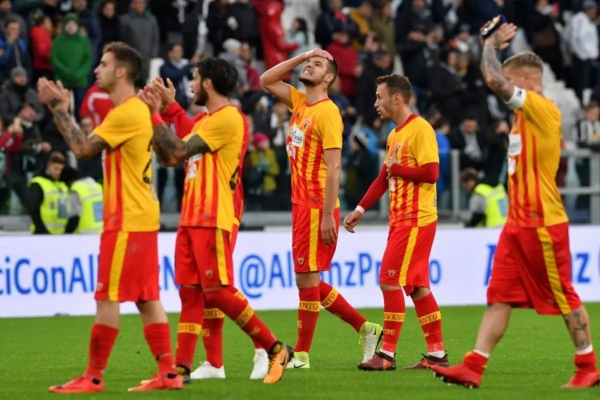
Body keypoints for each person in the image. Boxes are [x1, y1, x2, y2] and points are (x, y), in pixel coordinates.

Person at [431, 20, 600, 389]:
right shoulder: (523, 118)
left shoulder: (541, 108)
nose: (503, 89)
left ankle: (588, 366)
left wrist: (489, 46)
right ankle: (473, 366)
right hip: (516, 224)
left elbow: (494, 80)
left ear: (525, 79)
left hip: (542, 223)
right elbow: (494, 80)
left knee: (563, 294)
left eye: (511, 81)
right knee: (499, 297)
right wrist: (488, 48)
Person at [37, 41, 183, 393]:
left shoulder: (126, 112)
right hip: (143, 216)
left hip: (126, 219)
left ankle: (93, 376)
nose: (96, 69)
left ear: (121, 71)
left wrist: (59, 109)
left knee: (107, 297)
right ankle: (168, 373)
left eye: (103, 64)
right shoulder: (136, 111)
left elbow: (82, 149)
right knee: (146, 297)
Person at [138, 57, 290, 385]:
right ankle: (181, 369)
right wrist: (162, 112)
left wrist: (156, 113)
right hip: (191, 215)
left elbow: (177, 150)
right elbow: (170, 156)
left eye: (194, 79)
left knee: (218, 290)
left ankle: (273, 347)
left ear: (208, 83)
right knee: (190, 293)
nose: (190, 85)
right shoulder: (205, 121)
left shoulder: (229, 117)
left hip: (212, 214)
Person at [259, 48, 382, 369]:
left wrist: (328, 214)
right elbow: (266, 80)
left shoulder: (328, 113)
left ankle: (301, 355)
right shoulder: (300, 101)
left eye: (317, 65)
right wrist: (303, 56)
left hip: (317, 206)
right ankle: (365, 328)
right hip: (302, 205)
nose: (310, 66)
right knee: (308, 281)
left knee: (306, 281)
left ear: (329, 78)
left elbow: (335, 167)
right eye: (309, 63)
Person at [343, 74, 448, 371]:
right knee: (416, 286)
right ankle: (437, 354)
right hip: (401, 219)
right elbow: (384, 177)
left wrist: (398, 168)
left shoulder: (420, 129)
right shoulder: (394, 135)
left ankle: (386, 354)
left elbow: (431, 173)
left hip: (416, 219)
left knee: (389, 280)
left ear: (397, 98)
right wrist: (360, 209)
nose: (376, 103)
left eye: (379, 97)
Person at [27, 151, 68, 234]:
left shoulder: (63, 184)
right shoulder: (38, 183)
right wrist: (42, 230)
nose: (58, 172)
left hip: (61, 234)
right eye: (56, 168)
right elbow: (33, 209)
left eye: (61, 169)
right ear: (49, 165)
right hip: (42, 234)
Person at [60, 166, 103, 234]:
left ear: (69, 181)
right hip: (102, 232)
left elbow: (74, 217)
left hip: (86, 235)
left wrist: (65, 235)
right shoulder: (98, 186)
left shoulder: (76, 190)